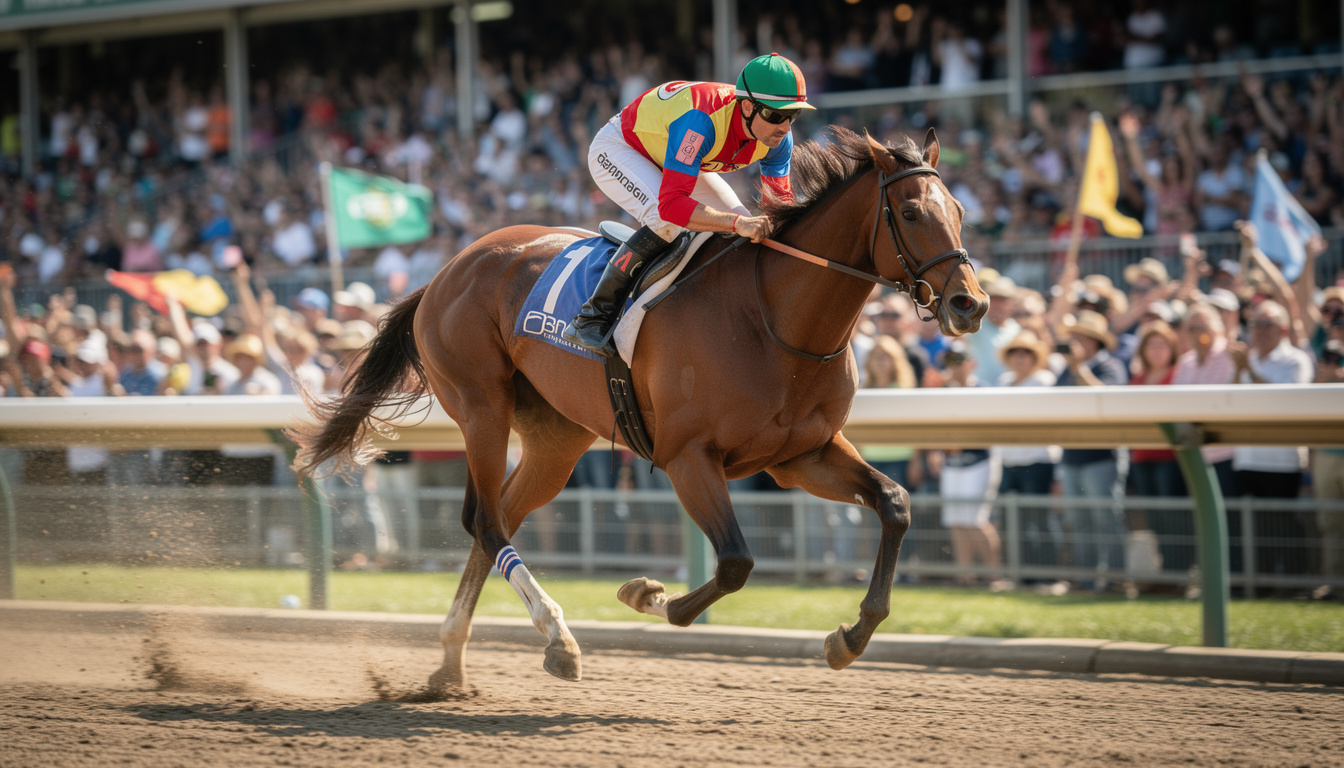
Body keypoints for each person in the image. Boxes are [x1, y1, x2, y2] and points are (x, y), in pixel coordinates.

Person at [564, 52, 815, 357]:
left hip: (677, 154)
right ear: (747, 107)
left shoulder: (777, 140)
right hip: (621, 148)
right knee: (668, 220)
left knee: (743, 226)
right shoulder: (702, 122)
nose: (785, 127)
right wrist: (738, 224)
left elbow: (779, 209)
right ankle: (593, 315)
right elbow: (671, 207)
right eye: (777, 116)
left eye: (794, 116)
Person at [994, 330, 1061, 576]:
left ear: (1034, 358)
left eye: (1026, 353)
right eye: (1015, 352)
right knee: (1015, 522)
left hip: (1038, 461)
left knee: (1039, 520)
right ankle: (1022, 574)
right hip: (1009, 461)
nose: (1020, 358)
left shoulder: (1044, 380)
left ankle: (1048, 573)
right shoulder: (1003, 381)